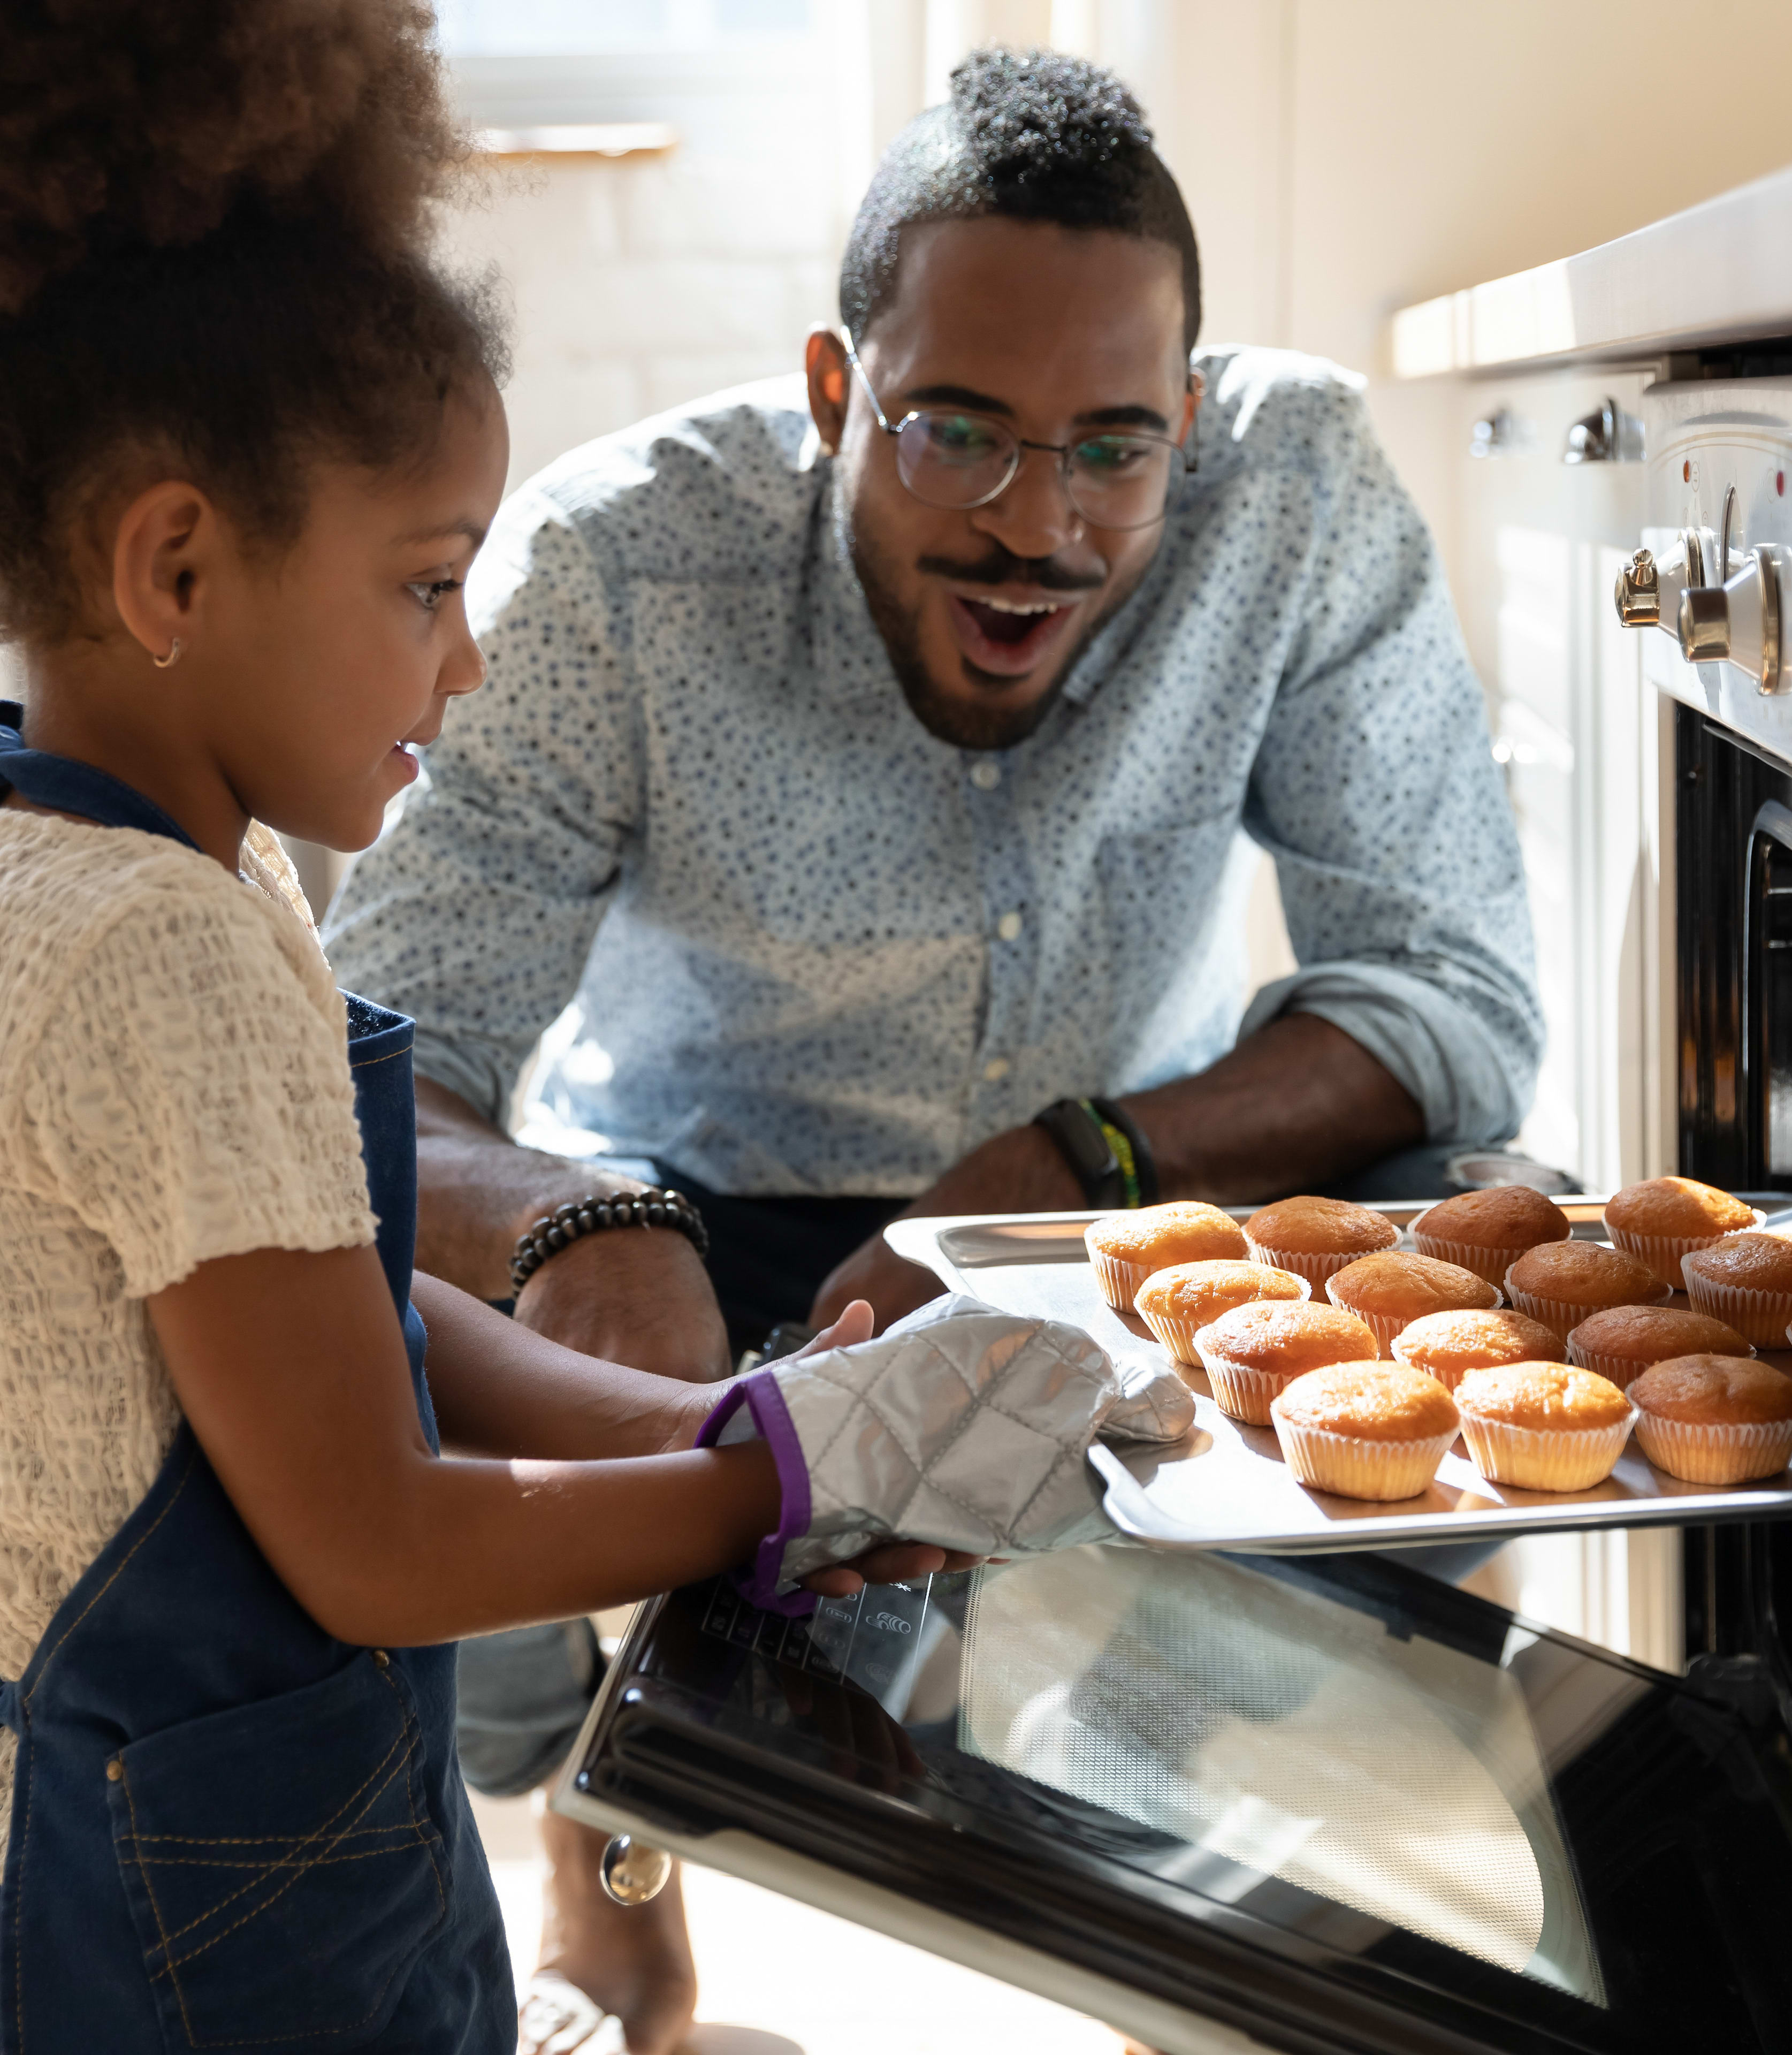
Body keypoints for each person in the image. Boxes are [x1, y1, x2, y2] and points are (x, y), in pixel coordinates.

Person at [324, 42, 1542, 2055]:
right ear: (835, 396)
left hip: (1119, 1206)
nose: (1035, 527)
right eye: (956, 433)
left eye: (1114, 449)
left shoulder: (1296, 494)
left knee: (1484, 1219)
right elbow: (378, 1056)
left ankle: (1200, 1837)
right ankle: (608, 1849)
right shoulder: (612, 572)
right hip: (693, 1224)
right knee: (355, 1325)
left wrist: (1064, 1169)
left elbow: (1449, 996)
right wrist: (574, 1218)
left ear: (1197, 421)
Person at [0, 9, 1168, 2048]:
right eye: (429, 585)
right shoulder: (154, 952)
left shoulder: (142, 861)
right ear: (176, 561)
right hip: (217, 1915)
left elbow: (320, 1300)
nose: (465, 667)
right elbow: (369, 1534)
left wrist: (719, 1425)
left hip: (282, 1816)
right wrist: (785, 1487)